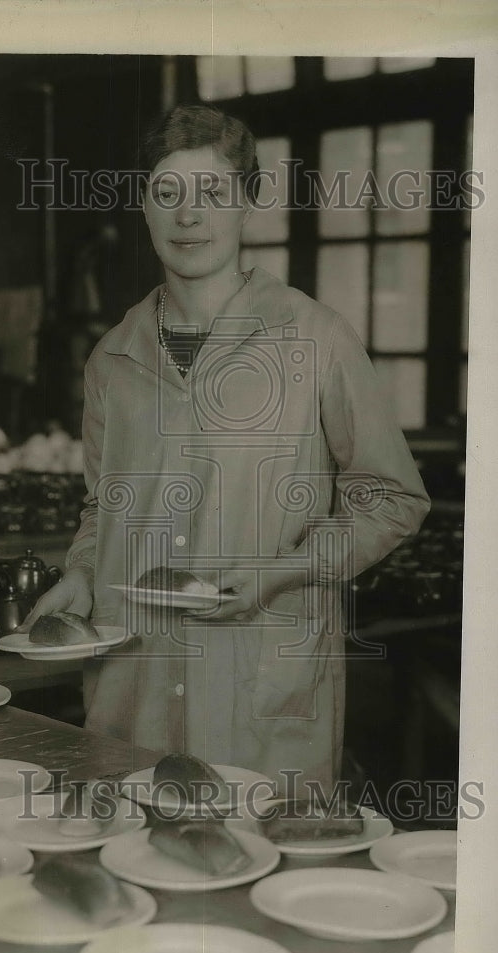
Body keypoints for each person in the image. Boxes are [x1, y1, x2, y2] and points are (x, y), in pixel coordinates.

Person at [24, 104, 430, 796]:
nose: (189, 216)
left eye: (212, 193)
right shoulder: (110, 359)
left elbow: (391, 500)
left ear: (248, 203)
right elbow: (104, 504)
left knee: (261, 876)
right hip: (135, 683)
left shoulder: (316, 339)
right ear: (144, 209)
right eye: (167, 193)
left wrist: (282, 571)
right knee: (136, 869)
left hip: (261, 687)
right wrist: (83, 573)